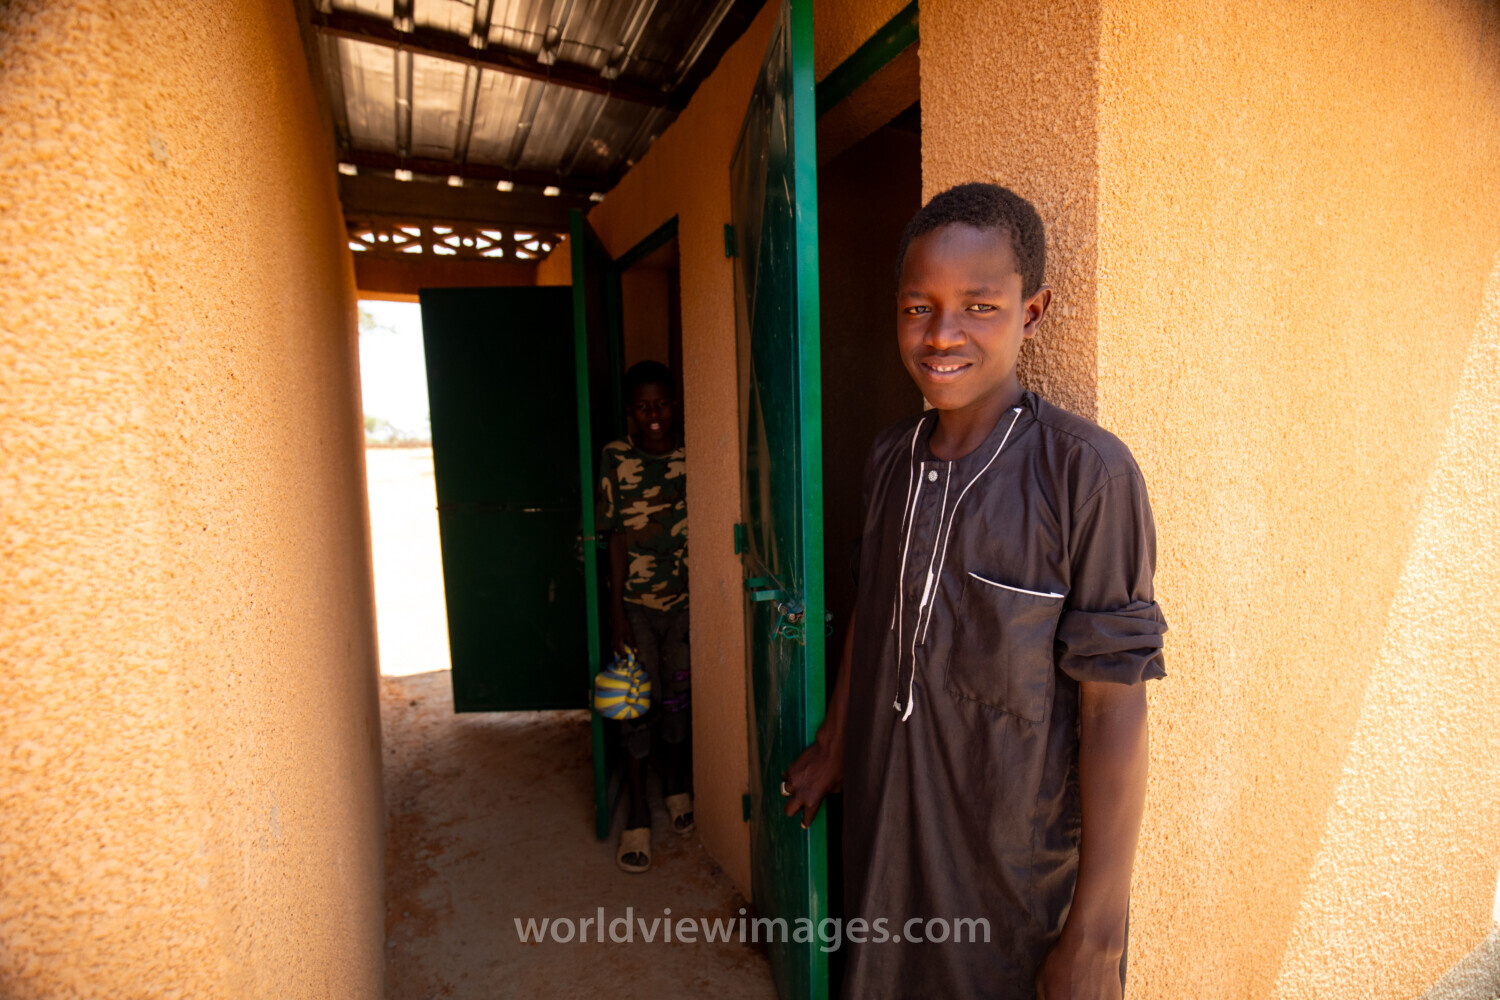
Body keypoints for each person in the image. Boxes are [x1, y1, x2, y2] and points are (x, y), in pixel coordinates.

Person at [781, 183, 1167, 998]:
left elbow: (1115, 707)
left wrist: (1095, 937)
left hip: (1010, 886)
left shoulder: (1086, 475)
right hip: (886, 842)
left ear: (1032, 312)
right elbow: (874, 612)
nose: (942, 334)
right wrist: (839, 743)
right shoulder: (890, 457)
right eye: (919, 306)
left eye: (978, 306)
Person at [597, 360, 692, 874]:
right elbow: (612, 533)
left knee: (677, 698)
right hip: (635, 606)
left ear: (673, 405)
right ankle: (637, 814)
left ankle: (676, 788)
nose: (653, 415)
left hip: (684, 606)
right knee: (634, 705)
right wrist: (616, 613)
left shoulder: (689, 454)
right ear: (630, 412)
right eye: (642, 406)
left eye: (661, 403)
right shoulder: (616, 456)